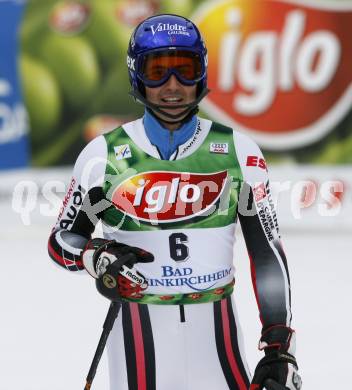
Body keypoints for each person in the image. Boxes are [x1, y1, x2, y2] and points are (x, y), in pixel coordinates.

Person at [48, 14, 302, 390]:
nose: (173, 86)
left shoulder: (239, 153)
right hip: (136, 340)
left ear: (202, 72)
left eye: (185, 69)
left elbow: (266, 253)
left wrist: (279, 345)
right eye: (157, 71)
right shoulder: (104, 157)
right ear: (137, 74)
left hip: (216, 345)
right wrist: (94, 254)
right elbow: (62, 239)